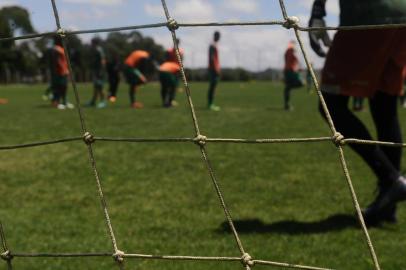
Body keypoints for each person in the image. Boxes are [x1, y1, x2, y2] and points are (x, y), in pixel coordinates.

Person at [309, 0, 406, 226]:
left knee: (330, 104)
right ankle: (387, 205)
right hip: (402, 18)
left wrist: (317, 11)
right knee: (385, 108)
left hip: (367, 13)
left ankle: (391, 180)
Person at [50, 35, 74, 110]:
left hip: (64, 71)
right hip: (59, 72)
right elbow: (57, 61)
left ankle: (64, 101)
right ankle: (56, 103)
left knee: (64, 87)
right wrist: (61, 70)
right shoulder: (56, 49)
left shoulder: (62, 49)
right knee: (58, 88)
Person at [283, 41, 304, 110]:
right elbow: (295, 59)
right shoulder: (292, 51)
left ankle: (287, 105)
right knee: (301, 83)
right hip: (290, 71)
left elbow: (287, 59)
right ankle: (289, 87)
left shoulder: (287, 52)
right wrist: (299, 67)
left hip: (287, 71)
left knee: (288, 88)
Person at [87, 37, 106, 108]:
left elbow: (103, 60)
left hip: (99, 72)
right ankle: (93, 101)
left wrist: (101, 71)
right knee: (96, 87)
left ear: (95, 43)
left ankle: (103, 102)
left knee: (100, 86)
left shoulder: (99, 50)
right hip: (96, 71)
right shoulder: (95, 49)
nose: (91, 44)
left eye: (92, 42)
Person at [166, 38, 184, 106]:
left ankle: (171, 100)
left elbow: (181, 62)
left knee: (174, 87)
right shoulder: (169, 51)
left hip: (176, 71)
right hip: (170, 71)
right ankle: (169, 101)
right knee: (171, 87)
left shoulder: (180, 52)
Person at [207, 31, 221, 111]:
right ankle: (210, 104)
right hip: (213, 69)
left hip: (214, 69)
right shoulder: (212, 45)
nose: (218, 37)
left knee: (213, 87)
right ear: (215, 36)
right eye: (217, 36)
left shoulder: (214, 45)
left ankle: (211, 104)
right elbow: (212, 58)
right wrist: (216, 69)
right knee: (212, 87)